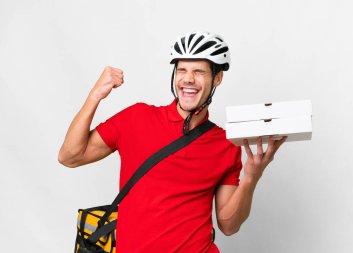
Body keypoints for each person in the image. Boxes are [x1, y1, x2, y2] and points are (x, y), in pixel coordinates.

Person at [58, 31, 287, 253]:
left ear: (217, 78)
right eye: (182, 70)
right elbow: (70, 156)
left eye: (199, 71)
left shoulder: (225, 144)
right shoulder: (136, 118)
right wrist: (95, 95)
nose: (188, 79)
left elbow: (229, 225)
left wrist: (251, 177)